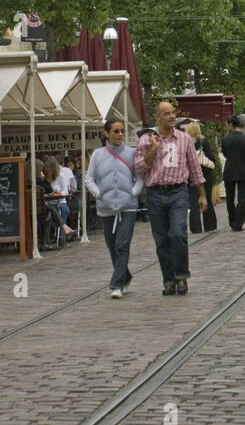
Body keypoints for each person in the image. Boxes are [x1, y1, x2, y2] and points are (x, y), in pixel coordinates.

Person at [134, 101, 207, 296]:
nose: (172, 116)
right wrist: (154, 150)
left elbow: (194, 167)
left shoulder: (184, 139)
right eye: (166, 114)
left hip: (178, 193)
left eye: (173, 113)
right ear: (157, 117)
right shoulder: (146, 140)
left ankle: (181, 275)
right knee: (162, 240)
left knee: (178, 233)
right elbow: (139, 168)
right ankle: (169, 279)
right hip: (155, 193)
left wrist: (202, 194)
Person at [85, 118, 144, 299]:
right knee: (112, 247)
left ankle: (116, 285)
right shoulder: (97, 154)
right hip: (106, 207)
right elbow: (89, 179)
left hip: (128, 207)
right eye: (116, 131)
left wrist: (133, 194)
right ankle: (124, 276)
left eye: (122, 131)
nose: (120, 135)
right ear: (107, 133)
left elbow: (139, 178)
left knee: (122, 244)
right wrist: (99, 194)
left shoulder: (131, 153)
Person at [220, 115, 245, 231]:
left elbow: (225, 154)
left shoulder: (225, 140)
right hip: (243, 171)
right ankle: (239, 223)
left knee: (230, 198)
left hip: (229, 171)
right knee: (242, 198)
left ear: (230, 125)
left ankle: (232, 221)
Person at [184, 122, 218, 233]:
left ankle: (195, 228)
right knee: (207, 199)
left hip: (191, 175)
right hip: (205, 174)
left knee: (193, 201)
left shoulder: (185, 143)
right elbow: (212, 159)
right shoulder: (204, 141)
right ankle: (210, 225)